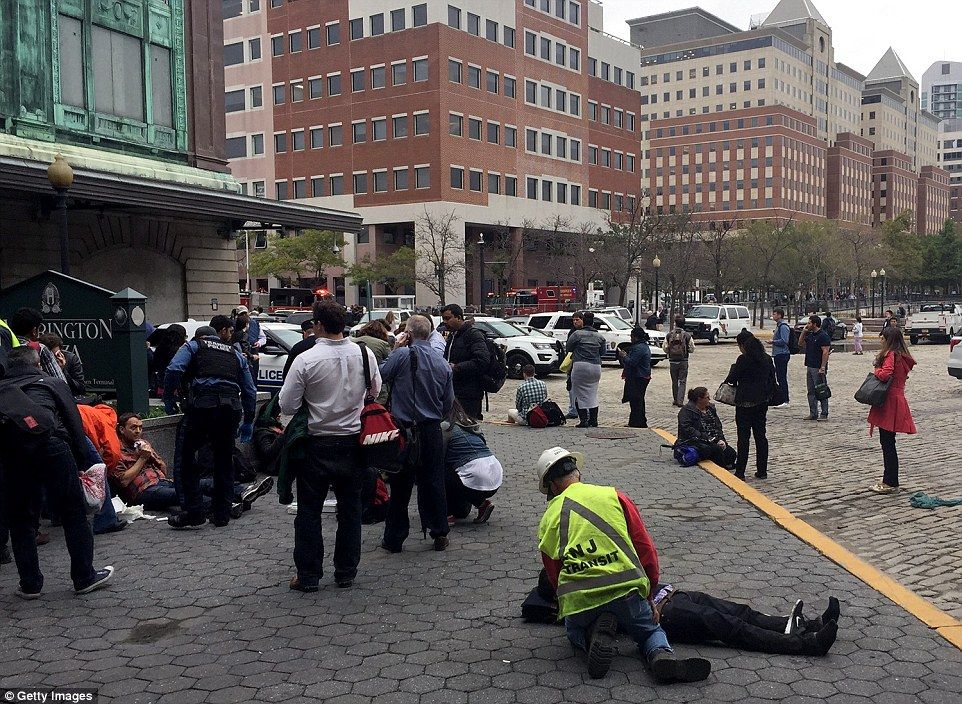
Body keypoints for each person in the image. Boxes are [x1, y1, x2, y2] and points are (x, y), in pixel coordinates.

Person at [536, 447, 711, 682]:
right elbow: (644, 547)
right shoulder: (614, 496)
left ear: (552, 486)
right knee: (650, 631)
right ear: (578, 473)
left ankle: (591, 636)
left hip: (581, 598)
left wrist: (566, 602)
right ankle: (661, 656)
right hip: (626, 590)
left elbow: (554, 572)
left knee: (573, 630)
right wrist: (650, 594)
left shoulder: (549, 517)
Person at [0, 346, 114, 598]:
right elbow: (74, 421)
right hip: (53, 448)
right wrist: (82, 459)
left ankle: (30, 585)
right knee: (73, 513)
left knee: (21, 520)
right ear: (37, 362)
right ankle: (84, 577)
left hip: (14, 456)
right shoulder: (51, 383)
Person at [279, 302, 378, 590]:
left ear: (318, 324)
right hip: (353, 442)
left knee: (309, 511)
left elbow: (287, 404)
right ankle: (346, 572)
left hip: (317, 443)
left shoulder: (307, 359)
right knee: (350, 509)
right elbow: (374, 389)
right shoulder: (364, 353)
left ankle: (309, 576)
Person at [163, 315, 257, 529]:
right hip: (231, 409)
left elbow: (173, 369)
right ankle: (222, 514)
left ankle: (194, 512)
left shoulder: (194, 345)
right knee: (223, 460)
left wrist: (169, 398)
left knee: (187, 459)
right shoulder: (235, 352)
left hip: (202, 407)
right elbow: (250, 390)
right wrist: (249, 421)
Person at [379, 315, 454, 552]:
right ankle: (439, 532)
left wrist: (395, 348)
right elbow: (447, 402)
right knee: (433, 481)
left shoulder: (402, 355)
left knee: (401, 484)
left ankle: (394, 538)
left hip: (404, 429)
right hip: (431, 429)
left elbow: (381, 375)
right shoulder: (442, 362)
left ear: (408, 334)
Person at [112, 413, 272, 512]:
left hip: (163, 481)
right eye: (133, 428)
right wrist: (142, 459)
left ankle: (244, 492)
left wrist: (151, 455)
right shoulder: (116, 451)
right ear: (121, 429)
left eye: (140, 427)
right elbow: (124, 480)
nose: (138, 431)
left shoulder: (143, 444)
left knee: (202, 483)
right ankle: (223, 506)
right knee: (183, 494)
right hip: (143, 492)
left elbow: (163, 470)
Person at [868, 327, 917, 494]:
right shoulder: (902, 356)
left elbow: (886, 374)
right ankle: (889, 478)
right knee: (889, 442)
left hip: (889, 401)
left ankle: (890, 481)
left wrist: (876, 371)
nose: (881, 339)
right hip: (897, 398)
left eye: (883, 337)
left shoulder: (890, 355)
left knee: (887, 443)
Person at [723, 331, 776, 480]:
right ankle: (762, 470)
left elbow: (732, 380)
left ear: (742, 345)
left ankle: (740, 471)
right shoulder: (766, 359)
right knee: (761, 437)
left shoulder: (743, 360)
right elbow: (773, 378)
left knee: (743, 438)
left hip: (744, 403)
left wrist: (733, 370)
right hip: (761, 402)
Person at [444, 422, 502, 525]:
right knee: (465, 476)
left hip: (475, 474)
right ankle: (482, 504)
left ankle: (447, 514)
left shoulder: (445, 427)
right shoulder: (467, 424)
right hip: (495, 473)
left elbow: (438, 455)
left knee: (442, 471)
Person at [441, 304, 490, 421]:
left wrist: (457, 367)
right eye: (443, 319)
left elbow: (482, 361)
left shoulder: (472, 335)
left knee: (468, 428)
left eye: (448, 318)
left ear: (458, 317)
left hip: (469, 394)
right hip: (454, 391)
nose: (445, 322)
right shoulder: (453, 336)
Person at [677, 387, 737, 469]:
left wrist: (721, 439)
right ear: (699, 399)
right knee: (716, 450)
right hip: (696, 441)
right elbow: (687, 429)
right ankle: (722, 467)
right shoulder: (687, 411)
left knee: (731, 453)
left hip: (713, 439)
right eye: (707, 397)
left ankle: (724, 462)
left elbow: (718, 426)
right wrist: (706, 438)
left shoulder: (711, 409)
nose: (709, 399)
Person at [8, 308, 69, 385]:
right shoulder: (40, 349)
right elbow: (60, 384)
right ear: (34, 331)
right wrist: (61, 369)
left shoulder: (4, 347)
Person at [566, 311, 604, 428]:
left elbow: (569, 347)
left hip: (580, 366)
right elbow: (603, 352)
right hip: (596, 367)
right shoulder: (600, 336)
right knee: (592, 394)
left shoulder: (577, 334)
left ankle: (583, 421)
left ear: (583, 322)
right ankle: (594, 420)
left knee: (578, 394)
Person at [798, 315, 831, 421]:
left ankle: (824, 413)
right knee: (811, 391)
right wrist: (804, 332)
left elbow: (825, 352)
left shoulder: (823, 336)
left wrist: (822, 367)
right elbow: (800, 343)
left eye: (809, 323)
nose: (807, 324)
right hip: (810, 365)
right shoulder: (811, 335)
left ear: (815, 324)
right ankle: (813, 413)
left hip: (818, 367)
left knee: (821, 390)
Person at [618, 327, 652, 428]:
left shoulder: (639, 348)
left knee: (636, 400)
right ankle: (636, 421)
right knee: (637, 400)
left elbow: (632, 362)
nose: (630, 339)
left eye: (631, 336)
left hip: (638, 377)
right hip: (641, 375)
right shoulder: (642, 346)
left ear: (635, 337)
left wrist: (624, 356)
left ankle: (638, 422)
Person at [663, 316, 694, 408]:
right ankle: (680, 400)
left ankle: (675, 399)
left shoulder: (669, 335)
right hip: (683, 360)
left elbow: (664, 347)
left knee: (674, 381)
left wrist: (670, 352)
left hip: (672, 361)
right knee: (682, 381)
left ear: (675, 323)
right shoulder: (687, 335)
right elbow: (692, 348)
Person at [770, 308, 791, 407]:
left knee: (782, 378)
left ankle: (785, 400)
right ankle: (782, 398)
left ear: (779, 315)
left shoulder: (783, 326)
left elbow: (784, 341)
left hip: (782, 354)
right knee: (779, 377)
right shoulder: (778, 326)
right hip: (778, 354)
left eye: (774, 314)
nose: (773, 316)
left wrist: (773, 341)